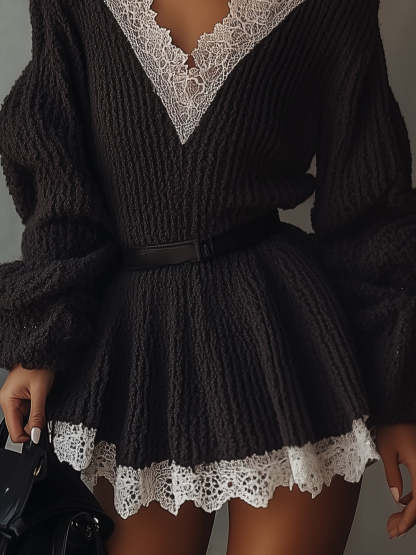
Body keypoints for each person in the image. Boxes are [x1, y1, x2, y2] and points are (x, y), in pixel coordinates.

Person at [0, 0, 415, 553]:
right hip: (131, 354)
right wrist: (43, 340)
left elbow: (370, 208)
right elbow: (60, 177)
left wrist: (400, 396)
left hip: (284, 345)